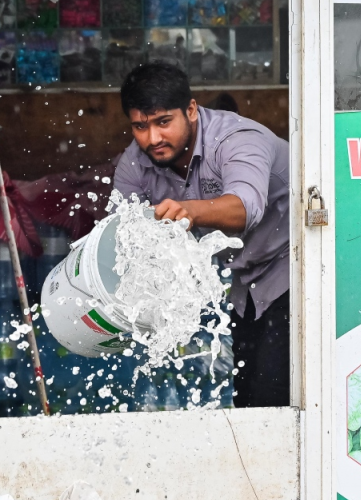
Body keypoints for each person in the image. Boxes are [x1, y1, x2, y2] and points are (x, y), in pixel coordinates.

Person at [113, 62, 290, 408]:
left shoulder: (237, 138)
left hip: (298, 265)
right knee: (248, 399)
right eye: (140, 126)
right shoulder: (134, 164)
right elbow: (121, 239)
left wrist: (190, 210)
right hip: (246, 281)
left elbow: (245, 208)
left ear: (191, 110)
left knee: (274, 394)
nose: (153, 138)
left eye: (164, 122)